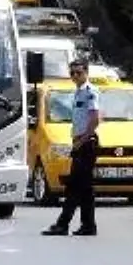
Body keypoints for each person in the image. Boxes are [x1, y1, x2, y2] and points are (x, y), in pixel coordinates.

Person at [43, 56, 100, 236]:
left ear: (86, 73)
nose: (75, 75)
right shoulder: (77, 92)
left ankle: (63, 224)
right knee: (85, 188)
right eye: (72, 73)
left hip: (86, 143)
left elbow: (95, 119)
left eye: (79, 72)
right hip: (80, 142)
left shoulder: (90, 91)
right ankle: (88, 225)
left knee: (74, 186)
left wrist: (81, 142)